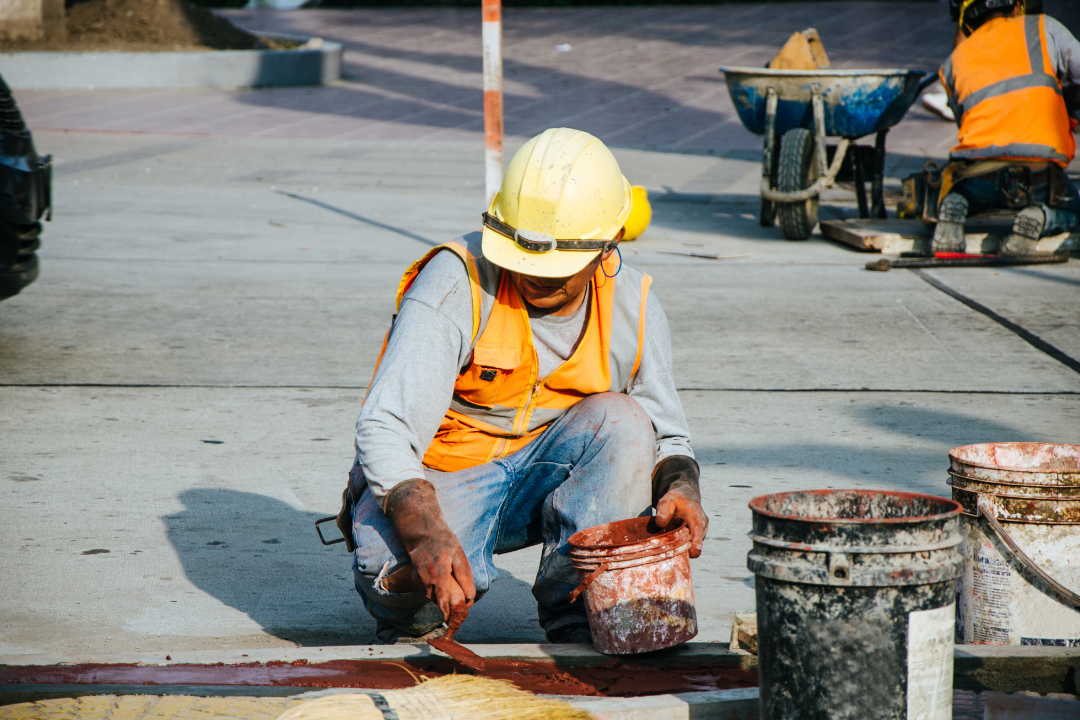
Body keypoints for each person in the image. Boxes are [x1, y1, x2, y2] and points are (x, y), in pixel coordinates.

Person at [340, 128, 708, 644]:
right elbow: (385, 425)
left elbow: (667, 435)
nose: (535, 277)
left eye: (557, 269)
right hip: (445, 485)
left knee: (624, 420)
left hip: (543, 473)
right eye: (522, 258)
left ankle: (576, 605)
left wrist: (681, 488)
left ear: (609, 246)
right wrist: (425, 533)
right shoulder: (456, 281)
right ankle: (419, 602)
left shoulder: (633, 307)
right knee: (393, 572)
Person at [934, 0, 1080, 254]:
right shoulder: (1044, 27)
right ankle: (1040, 216)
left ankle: (956, 204)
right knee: (1073, 209)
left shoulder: (952, 61)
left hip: (981, 177)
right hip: (1039, 175)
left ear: (966, 23)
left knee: (963, 192)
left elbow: (971, 119)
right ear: (1017, 7)